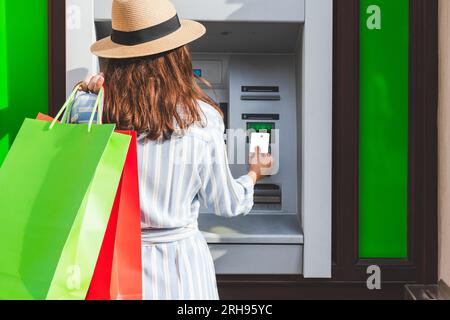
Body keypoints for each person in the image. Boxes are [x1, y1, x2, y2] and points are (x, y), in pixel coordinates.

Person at [73, 0, 272, 300]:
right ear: (176, 53)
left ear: (117, 58)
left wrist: (85, 99)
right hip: (182, 274)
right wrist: (255, 174)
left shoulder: (92, 110)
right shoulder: (201, 120)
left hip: (112, 269)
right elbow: (226, 203)